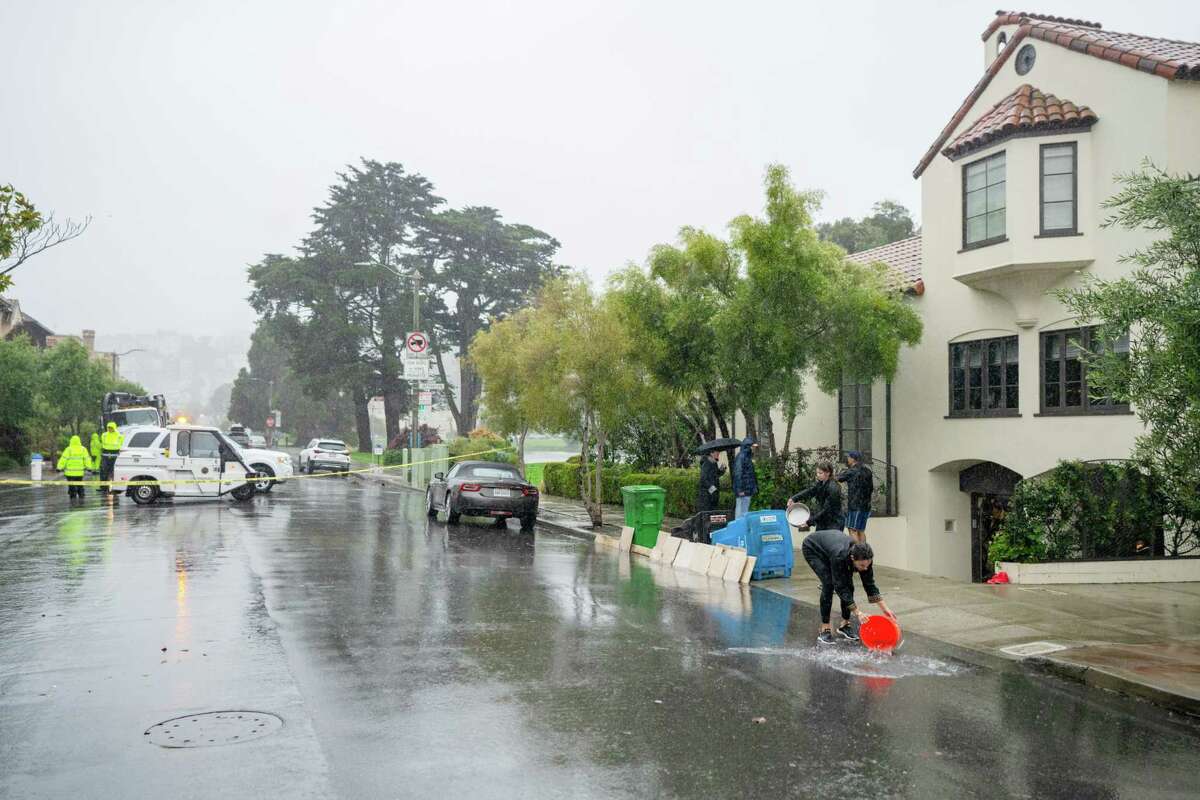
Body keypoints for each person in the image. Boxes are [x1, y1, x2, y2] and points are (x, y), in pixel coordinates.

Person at [800, 529, 895, 645]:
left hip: (833, 546)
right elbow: (840, 587)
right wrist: (858, 613)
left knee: (849, 585)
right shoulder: (840, 556)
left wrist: (886, 609)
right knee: (829, 584)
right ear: (852, 559)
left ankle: (845, 625)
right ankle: (825, 628)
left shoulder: (865, 558)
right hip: (813, 548)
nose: (865, 568)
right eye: (862, 565)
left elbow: (869, 584)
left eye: (868, 564)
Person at [788, 461, 844, 531]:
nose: (817, 475)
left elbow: (826, 510)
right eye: (817, 473)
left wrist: (809, 522)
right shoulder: (821, 483)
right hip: (823, 521)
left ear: (828, 473)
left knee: (827, 541)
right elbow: (809, 491)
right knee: (818, 541)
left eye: (820, 473)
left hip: (834, 524)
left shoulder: (833, 488)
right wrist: (793, 499)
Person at [836, 451, 874, 544]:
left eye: (848, 457)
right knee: (861, 530)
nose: (847, 459)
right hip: (866, 505)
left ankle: (858, 554)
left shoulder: (852, 471)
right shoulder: (867, 471)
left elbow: (838, 478)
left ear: (853, 459)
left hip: (855, 505)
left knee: (852, 530)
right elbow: (871, 488)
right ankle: (865, 553)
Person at [56, 435, 94, 500]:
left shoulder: (68, 449)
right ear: (79, 441)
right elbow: (87, 459)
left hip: (69, 473)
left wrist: (59, 468)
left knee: (71, 485)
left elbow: (63, 459)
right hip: (79, 472)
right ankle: (81, 495)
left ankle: (73, 496)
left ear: (71, 441)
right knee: (79, 484)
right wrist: (89, 467)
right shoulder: (83, 449)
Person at [732, 437, 759, 520]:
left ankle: (741, 529)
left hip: (746, 491)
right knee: (741, 513)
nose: (754, 449)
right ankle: (738, 530)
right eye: (753, 447)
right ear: (748, 447)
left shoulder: (746, 457)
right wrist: (740, 490)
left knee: (744, 512)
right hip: (743, 491)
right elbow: (738, 474)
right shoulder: (741, 457)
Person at [98, 421, 124, 494]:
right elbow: (103, 444)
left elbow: (121, 445)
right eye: (108, 427)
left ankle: (116, 488)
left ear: (114, 428)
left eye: (111, 428)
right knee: (103, 472)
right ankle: (103, 488)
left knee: (115, 472)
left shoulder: (120, 436)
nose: (109, 429)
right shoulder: (104, 435)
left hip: (115, 456)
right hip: (105, 455)